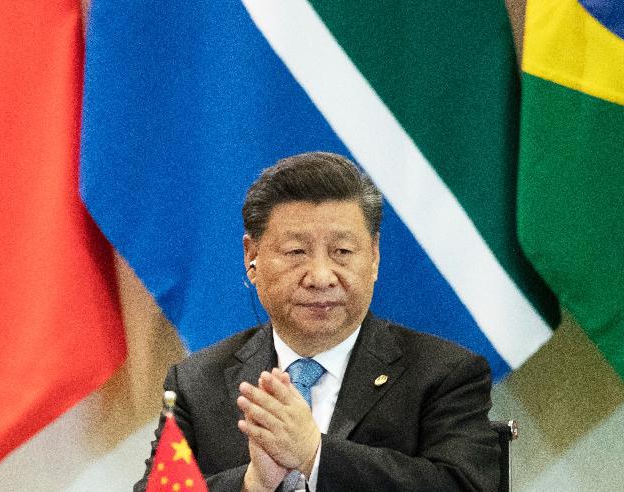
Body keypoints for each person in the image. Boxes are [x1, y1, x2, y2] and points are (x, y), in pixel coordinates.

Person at [136, 152, 499, 492]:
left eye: (342, 252)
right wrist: (253, 483)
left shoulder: (444, 375)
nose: (321, 277)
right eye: (296, 252)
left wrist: (315, 454)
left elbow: (464, 485)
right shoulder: (198, 382)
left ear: (374, 257)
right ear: (252, 257)